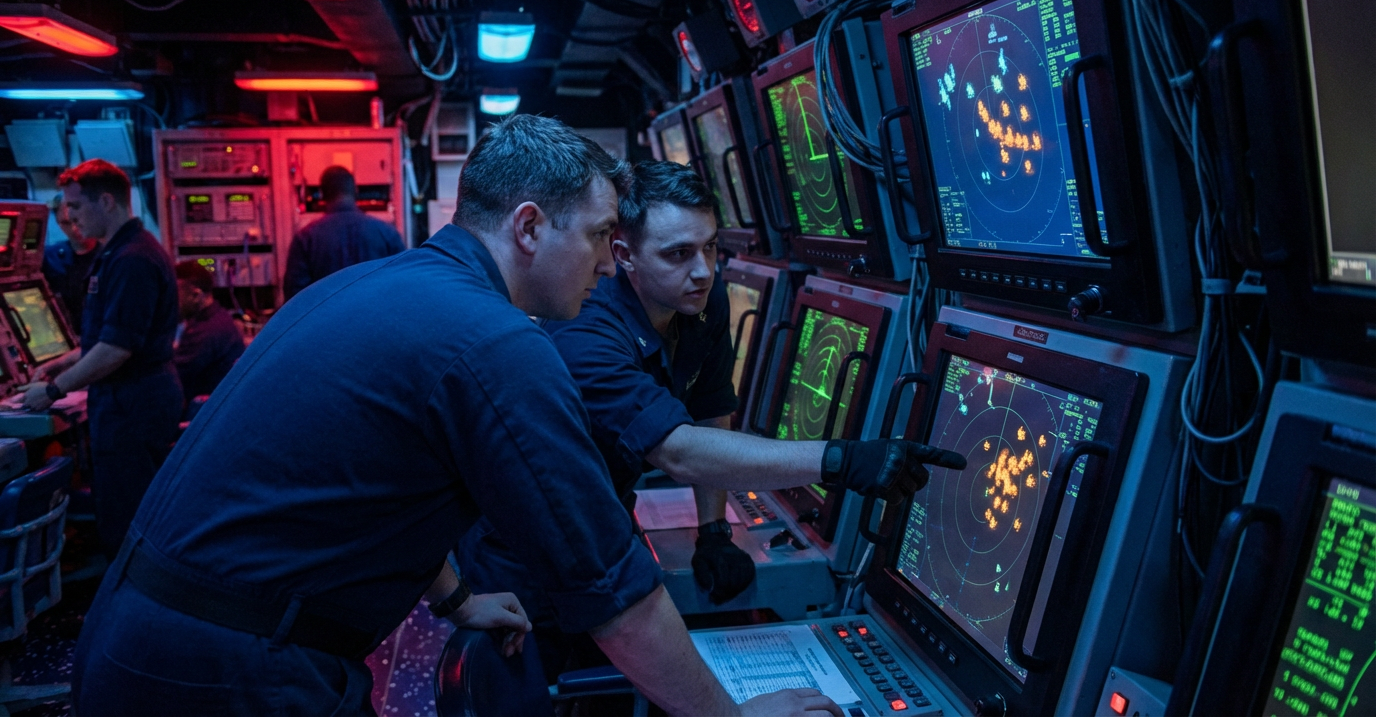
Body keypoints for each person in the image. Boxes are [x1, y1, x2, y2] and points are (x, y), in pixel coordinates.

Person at [70, 115, 860, 716]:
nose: (602, 260)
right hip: (224, 670)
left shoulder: (379, 286)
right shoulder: (496, 346)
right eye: (595, 236)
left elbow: (377, 492)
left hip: (143, 633)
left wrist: (453, 598)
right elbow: (618, 599)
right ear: (526, 227)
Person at [458, 159, 968, 680]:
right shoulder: (585, 331)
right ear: (624, 255)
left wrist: (714, 530)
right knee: (554, 681)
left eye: (710, 246)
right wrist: (841, 460)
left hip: (602, 515)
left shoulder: (701, 299)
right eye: (678, 254)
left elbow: (710, 407)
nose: (703, 270)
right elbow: (677, 450)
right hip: (527, 553)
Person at [19, 159, 183, 561]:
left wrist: (55, 389)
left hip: (132, 405)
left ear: (106, 202)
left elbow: (118, 349)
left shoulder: (131, 259)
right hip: (132, 401)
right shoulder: (122, 253)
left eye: (75, 207)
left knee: (128, 520)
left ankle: (126, 613)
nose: (70, 218)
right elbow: (108, 338)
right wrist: (67, 361)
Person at [282, 165, 405, 300]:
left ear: (322, 194)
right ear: (356, 191)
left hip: (327, 320)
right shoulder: (386, 233)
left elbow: (295, 296)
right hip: (376, 318)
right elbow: (402, 284)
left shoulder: (306, 238)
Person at [172, 260, 246, 405]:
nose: (171, 303)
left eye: (176, 296)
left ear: (196, 295)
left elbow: (174, 375)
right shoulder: (218, 317)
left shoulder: (206, 331)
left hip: (207, 410)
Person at [41, 194, 100, 330]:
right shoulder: (49, 257)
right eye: (66, 223)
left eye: (77, 220)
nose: (74, 229)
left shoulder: (111, 255)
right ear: (57, 221)